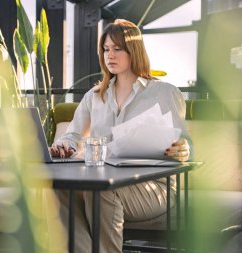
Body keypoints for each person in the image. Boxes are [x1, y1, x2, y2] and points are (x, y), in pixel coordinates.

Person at [50, 19, 191, 253]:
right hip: (103, 181)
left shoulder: (165, 93)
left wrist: (184, 149)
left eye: (117, 48)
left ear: (133, 50)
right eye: (106, 49)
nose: (110, 56)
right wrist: (64, 145)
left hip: (153, 187)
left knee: (101, 189)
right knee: (60, 189)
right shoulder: (95, 96)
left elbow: (185, 142)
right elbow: (72, 135)